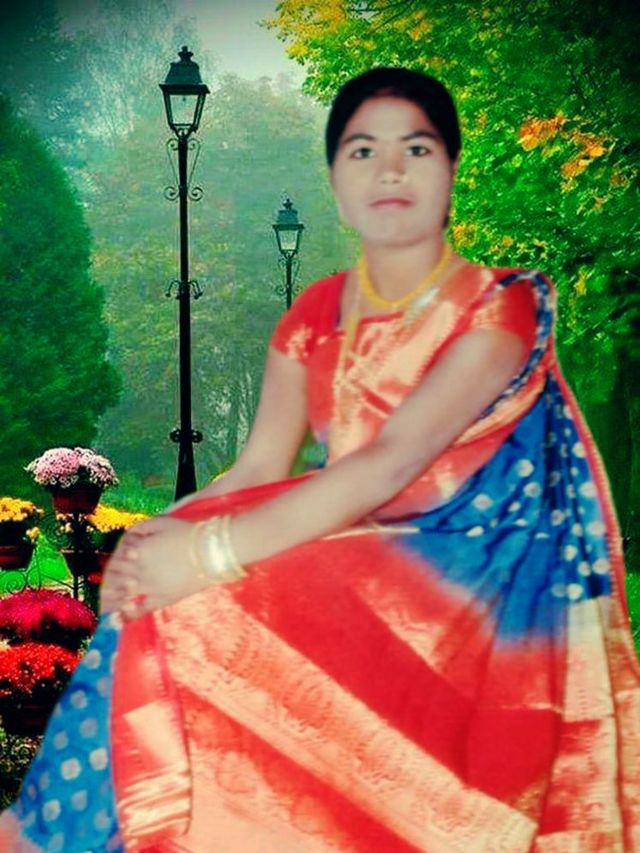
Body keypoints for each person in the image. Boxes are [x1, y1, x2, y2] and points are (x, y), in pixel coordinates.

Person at [2, 66, 639, 852]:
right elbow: (256, 469)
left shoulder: (502, 303)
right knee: (149, 601)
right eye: (363, 150)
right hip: (354, 542)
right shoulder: (315, 315)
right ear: (337, 182)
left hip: (479, 581)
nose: (390, 169)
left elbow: (391, 463)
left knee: (204, 605)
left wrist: (204, 555)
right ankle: (75, 833)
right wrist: (154, 538)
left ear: (450, 170)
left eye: (417, 148)